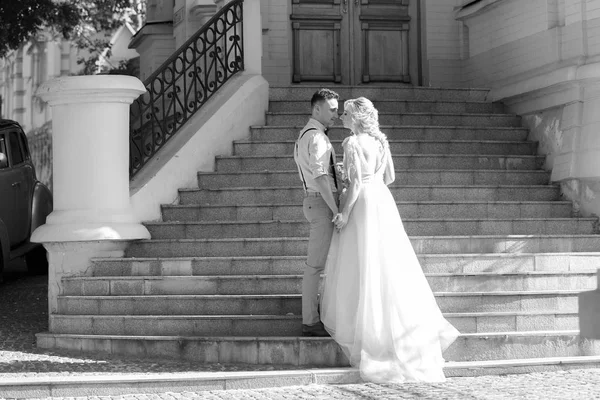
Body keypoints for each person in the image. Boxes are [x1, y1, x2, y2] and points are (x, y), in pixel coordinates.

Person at [320, 97, 460, 382]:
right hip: (383, 201)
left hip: (362, 204)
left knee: (363, 264)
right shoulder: (381, 142)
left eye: (346, 114)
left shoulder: (352, 143)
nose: (343, 118)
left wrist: (345, 212)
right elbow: (390, 177)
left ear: (357, 117)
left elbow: (357, 182)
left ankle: (369, 332)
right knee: (387, 265)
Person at [293, 88, 341, 337]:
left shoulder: (304, 134)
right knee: (315, 266)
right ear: (317, 109)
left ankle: (315, 316)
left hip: (313, 201)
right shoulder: (318, 138)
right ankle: (310, 321)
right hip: (322, 203)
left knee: (317, 264)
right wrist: (335, 209)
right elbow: (321, 176)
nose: (336, 113)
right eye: (332, 109)